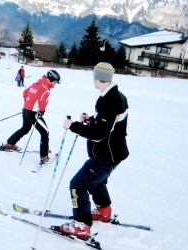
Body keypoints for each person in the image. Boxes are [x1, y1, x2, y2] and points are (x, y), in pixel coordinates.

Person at [58, 62, 129, 241]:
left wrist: (73, 126)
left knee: (78, 184)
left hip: (106, 155)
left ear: (98, 78)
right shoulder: (114, 95)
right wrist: (90, 120)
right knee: (96, 182)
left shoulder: (110, 100)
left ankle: (81, 225)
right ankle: (104, 212)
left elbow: (99, 134)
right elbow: (108, 126)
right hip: (112, 153)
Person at [0, 70, 61, 165]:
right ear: (51, 79)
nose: (55, 84)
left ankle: (9, 144)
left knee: (25, 128)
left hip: (26, 111)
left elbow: (25, 92)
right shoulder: (46, 88)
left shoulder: (36, 83)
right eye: (55, 82)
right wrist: (42, 111)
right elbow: (42, 101)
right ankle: (44, 157)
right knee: (44, 132)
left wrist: (27, 105)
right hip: (33, 113)